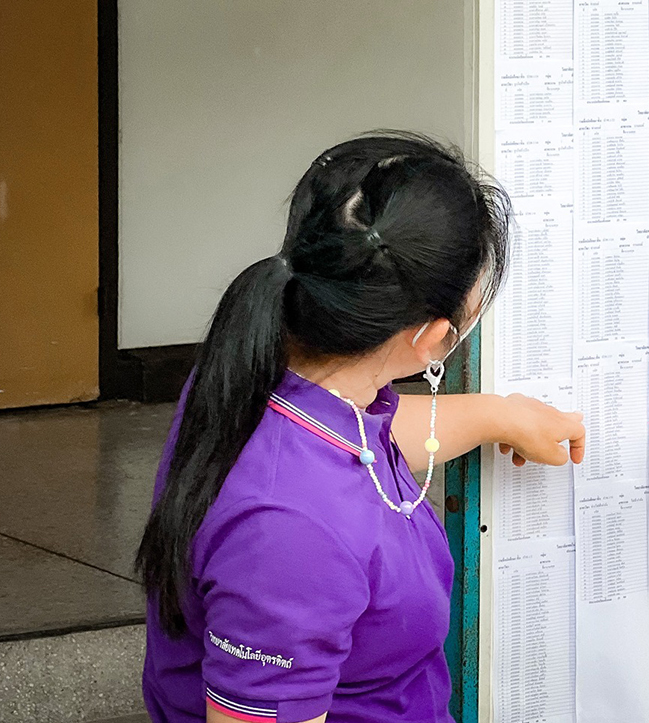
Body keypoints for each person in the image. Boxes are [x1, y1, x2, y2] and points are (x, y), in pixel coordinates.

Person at [137, 132, 585, 723]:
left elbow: (362, 448)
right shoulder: (290, 533)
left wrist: (498, 413)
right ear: (429, 339)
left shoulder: (257, 369)